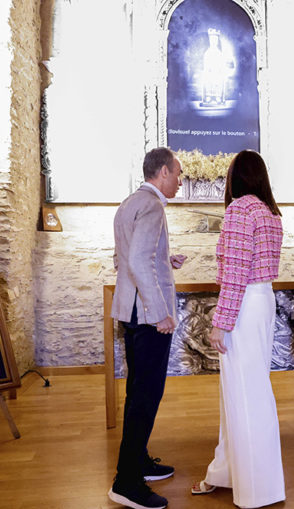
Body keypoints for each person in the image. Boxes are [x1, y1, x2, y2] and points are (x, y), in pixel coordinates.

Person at [190, 150, 285, 508]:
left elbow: (235, 272)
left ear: (235, 177)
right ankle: (226, 473)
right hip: (262, 301)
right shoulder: (270, 213)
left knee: (246, 394)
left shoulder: (240, 210)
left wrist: (221, 322)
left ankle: (258, 489)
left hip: (244, 304)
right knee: (244, 391)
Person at [108, 147, 187, 509]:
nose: (180, 181)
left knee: (137, 391)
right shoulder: (153, 205)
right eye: (178, 173)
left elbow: (124, 258)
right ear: (164, 172)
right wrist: (160, 313)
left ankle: (138, 460)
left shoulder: (129, 203)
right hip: (146, 316)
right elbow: (138, 261)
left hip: (130, 311)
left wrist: (164, 260)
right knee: (146, 395)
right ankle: (126, 482)